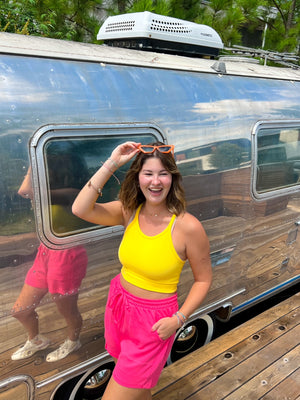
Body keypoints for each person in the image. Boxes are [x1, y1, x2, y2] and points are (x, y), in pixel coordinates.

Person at [72, 141, 212, 400]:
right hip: (119, 307)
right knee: (138, 388)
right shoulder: (129, 211)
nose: (155, 182)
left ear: (173, 178)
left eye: (163, 174)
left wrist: (179, 319)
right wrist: (112, 162)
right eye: (148, 173)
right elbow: (80, 209)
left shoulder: (187, 227)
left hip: (153, 323)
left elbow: (203, 280)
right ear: (138, 178)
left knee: (124, 388)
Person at [11, 165, 88, 362]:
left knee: (67, 309)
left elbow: (24, 190)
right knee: (21, 310)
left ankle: (73, 340)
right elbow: (26, 191)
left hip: (67, 254)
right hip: (45, 252)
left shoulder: (73, 193)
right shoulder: (46, 193)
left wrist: (32, 163)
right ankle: (36, 341)